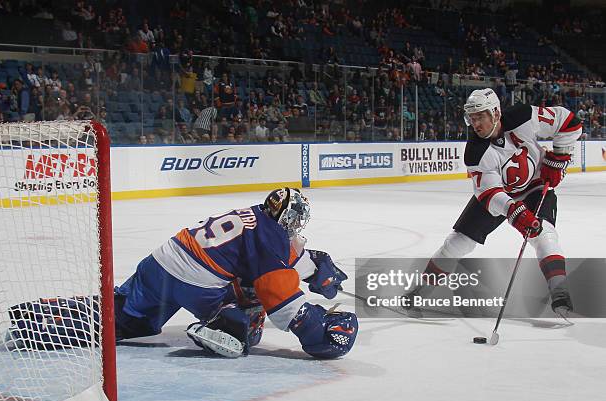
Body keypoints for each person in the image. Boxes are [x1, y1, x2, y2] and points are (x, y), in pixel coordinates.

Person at [114, 188, 358, 358]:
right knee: (253, 291)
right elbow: (278, 293)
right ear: (287, 217)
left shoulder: (256, 215)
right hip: (196, 284)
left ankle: (81, 319)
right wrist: (318, 331)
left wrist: (315, 272)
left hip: (159, 263)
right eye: (295, 219)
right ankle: (223, 326)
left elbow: (277, 255)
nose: (296, 226)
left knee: (127, 319)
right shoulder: (269, 237)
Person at [406, 88, 582, 317]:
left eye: (480, 116)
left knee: (544, 234)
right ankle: (420, 289)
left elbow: (569, 122)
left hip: (536, 186)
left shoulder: (523, 116)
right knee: (457, 243)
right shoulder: (475, 152)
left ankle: (560, 293)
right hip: (499, 194)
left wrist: (559, 158)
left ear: (496, 113)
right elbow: (491, 194)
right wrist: (515, 212)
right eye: (471, 117)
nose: (474, 123)